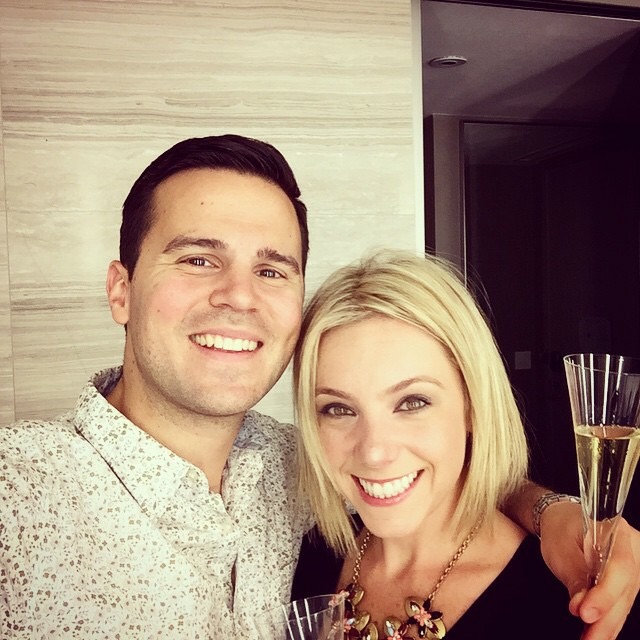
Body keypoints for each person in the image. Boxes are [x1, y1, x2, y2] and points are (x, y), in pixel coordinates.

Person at [0, 136, 637, 638]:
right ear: (121, 289)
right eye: (198, 259)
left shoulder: (292, 470)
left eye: (271, 269)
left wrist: (553, 513)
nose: (239, 296)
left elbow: (439, 477)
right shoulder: (17, 498)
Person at [291, 249, 638, 639]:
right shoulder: (307, 555)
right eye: (337, 409)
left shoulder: (565, 602)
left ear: (473, 405)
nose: (373, 452)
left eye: (412, 402)